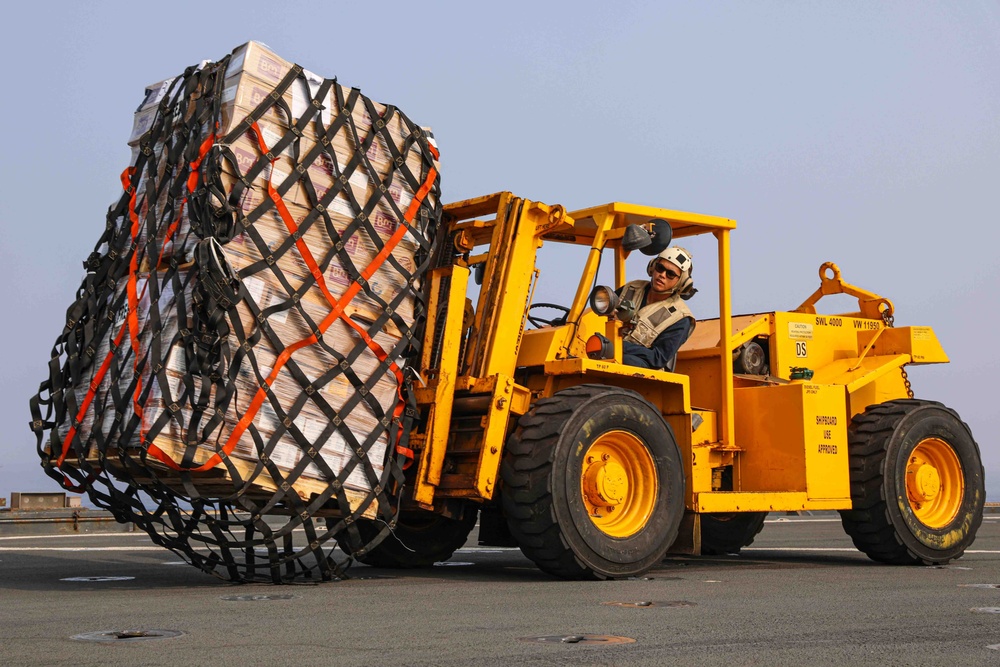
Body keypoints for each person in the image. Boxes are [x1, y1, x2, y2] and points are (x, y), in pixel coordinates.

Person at [618, 246, 697, 371]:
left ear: (681, 282)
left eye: (670, 274)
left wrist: (619, 347)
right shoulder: (632, 288)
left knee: (624, 361)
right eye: (660, 268)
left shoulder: (680, 318)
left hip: (645, 372)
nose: (662, 275)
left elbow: (657, 358)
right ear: (652, 267)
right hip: (608, 350)